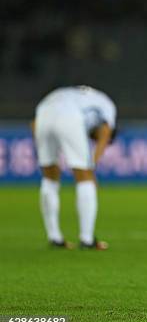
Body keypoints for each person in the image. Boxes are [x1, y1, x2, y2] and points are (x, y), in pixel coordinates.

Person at [33, 85, 117, 250]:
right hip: (69, 115)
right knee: (85, 177)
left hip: (43, 112)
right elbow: (106, 133)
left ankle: (54, 238)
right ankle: (87, 240)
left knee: (49, 177)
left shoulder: (87, 97)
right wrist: (91, 168)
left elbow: (33, 124)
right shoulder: (108, 105)